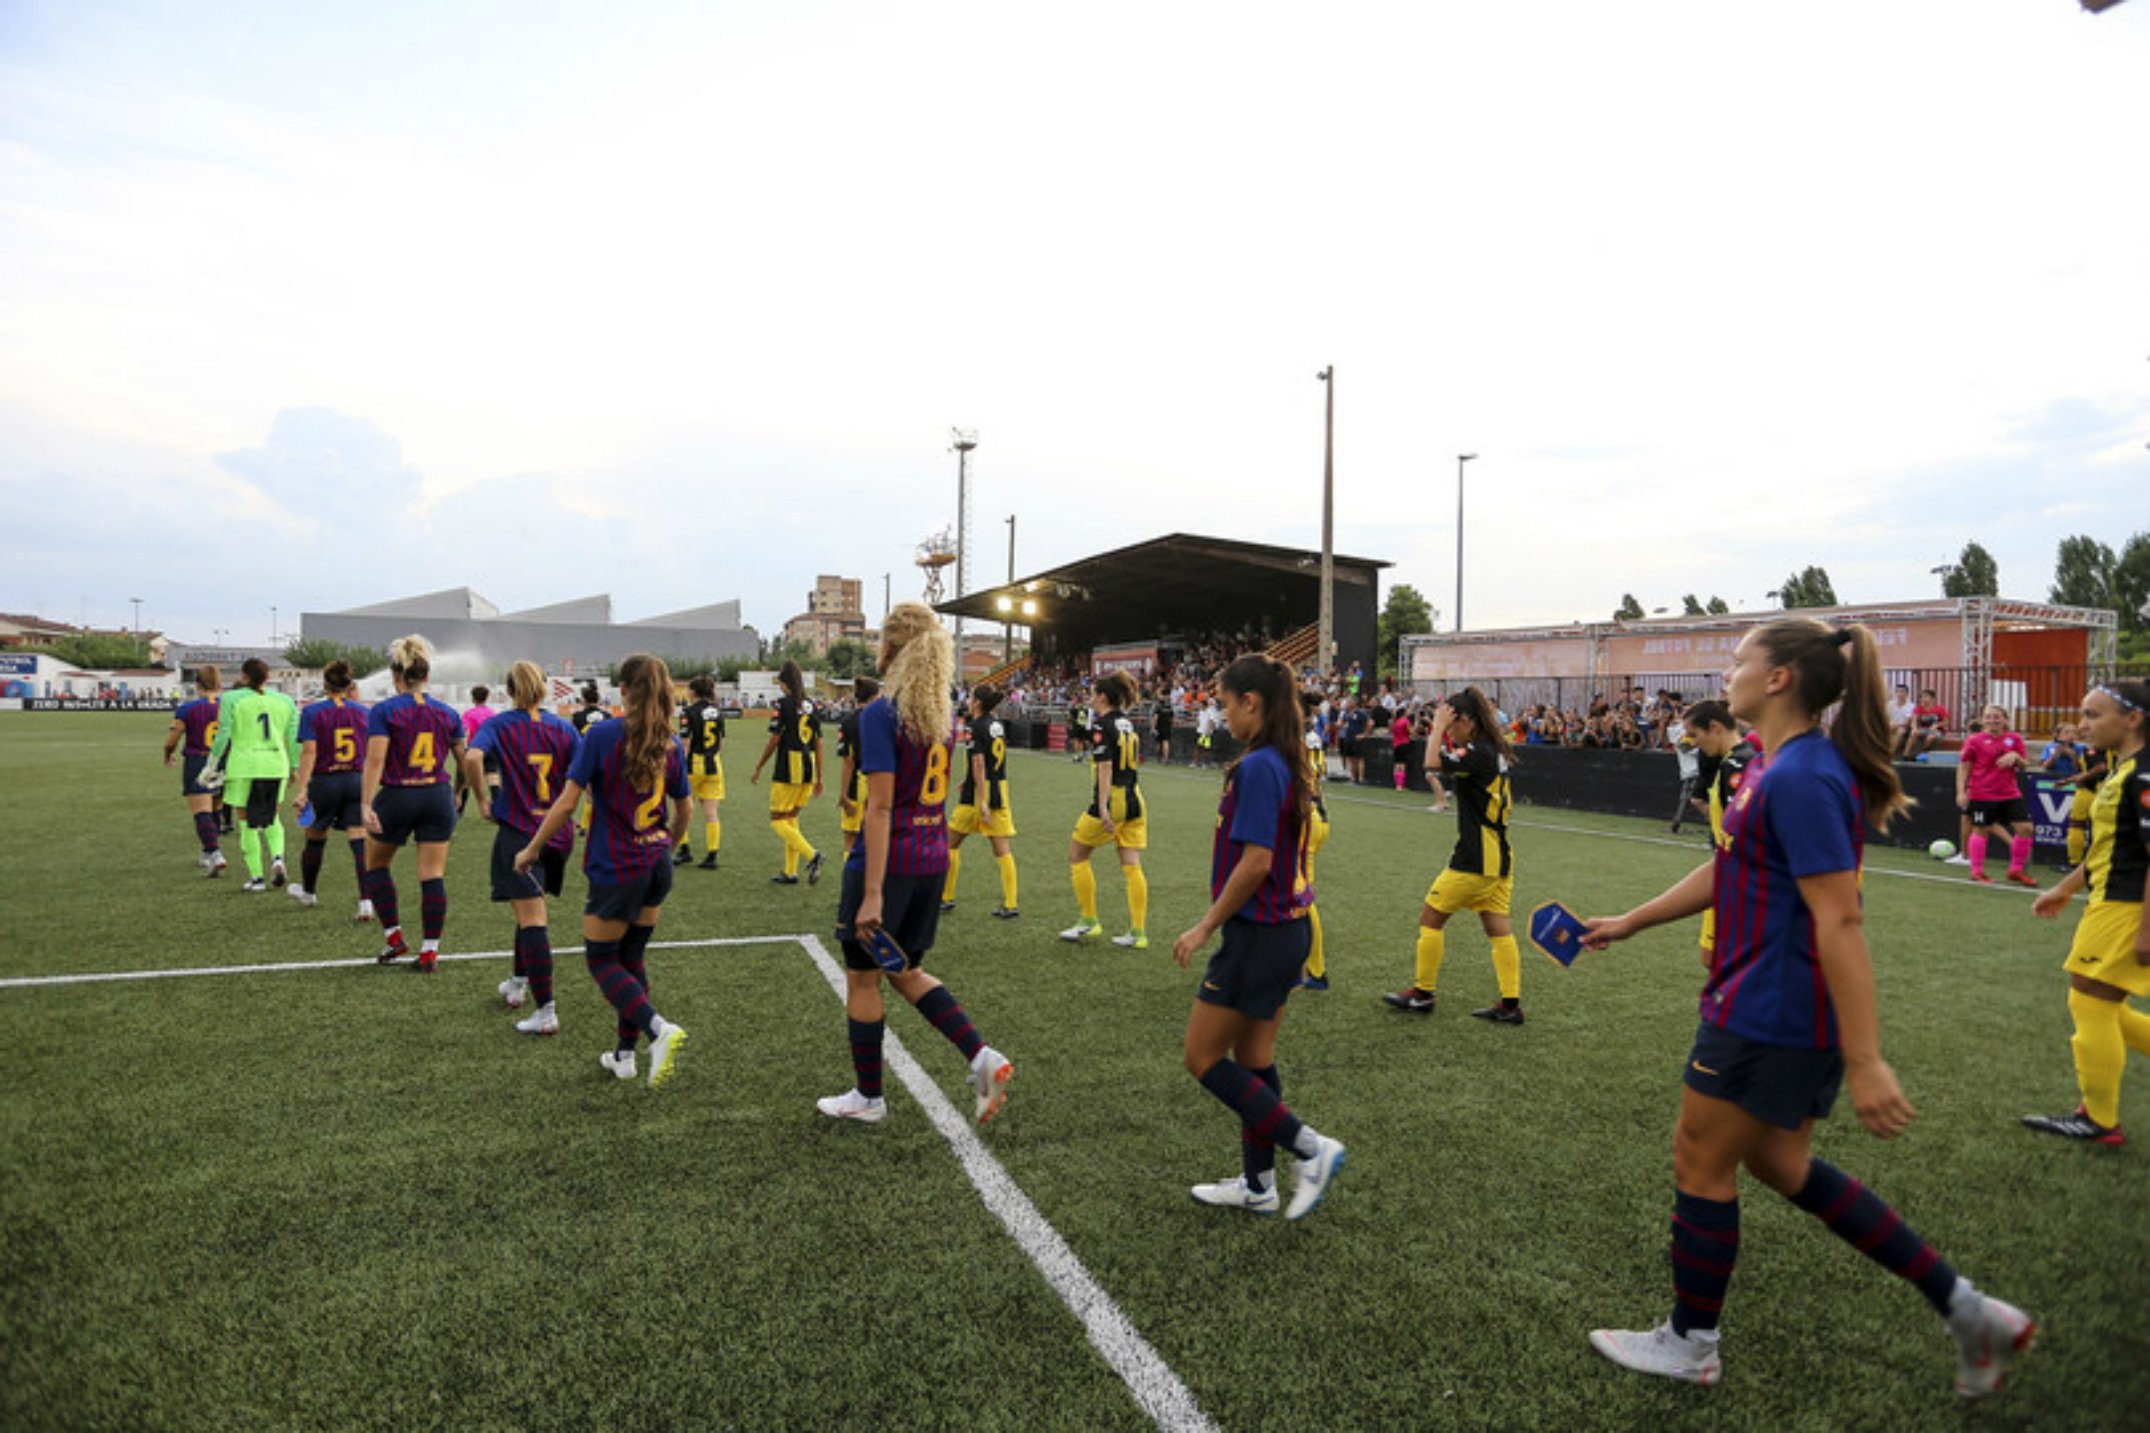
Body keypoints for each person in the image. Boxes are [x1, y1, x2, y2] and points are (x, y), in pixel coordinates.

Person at [1579, 618, 2033, 1398]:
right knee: (1780, 1162)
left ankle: (1691, 1342)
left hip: (1770, 1010)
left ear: (1780, 677)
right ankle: (1968, 1310)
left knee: (1701, 1158)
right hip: (1770, 1004)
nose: (1728, 674)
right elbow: (1730, 868)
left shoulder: (1802, 777)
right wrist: (1630, 919)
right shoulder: (1772, 765)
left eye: (1738, 660)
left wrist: (1866, 1058)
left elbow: (1842, 918)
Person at [815, 604, 1013, 1126]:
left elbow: (879, 808)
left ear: (891, 648)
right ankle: (981, 1057)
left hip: (890, 863)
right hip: (930, 858)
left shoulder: (883, 713)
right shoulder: (939, 716)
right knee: (905, 970)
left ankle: (868, 1096)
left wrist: (873, 891)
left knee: (863, 980)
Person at [1172, 655, 1346, 1220]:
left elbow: (1254, 864)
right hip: (1288, 932)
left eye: (1226, 704)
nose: (1222, 716)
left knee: (1201, 1056)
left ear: (1252, 702)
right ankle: (1259, 1185)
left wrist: (1203, 927)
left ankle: (1310, 1148)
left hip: (1259, 935)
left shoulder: (1260, 766)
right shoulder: (1286, 761)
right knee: (1254, 1058)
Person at [516, 653, 690, 1085]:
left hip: (617, 866)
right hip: (655, 863)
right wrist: (668, 842)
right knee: (632, 957)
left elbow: (567, 802)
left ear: (625, 691)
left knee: (601, 960)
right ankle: (624, 1056)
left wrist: (532, 849)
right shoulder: (672, 741)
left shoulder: (602, 735)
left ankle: (656, 1029)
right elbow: (683, 808)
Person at [2021, 678, 2150, 1144]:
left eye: (2093, 715)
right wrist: (2063, 888)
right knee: (2102, 1004)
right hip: (2110, 903)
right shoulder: (2121, 768)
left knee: (2090, 1000)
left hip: (2125, 908)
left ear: (2132, 719)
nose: (2082, 725)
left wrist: (2146, 930)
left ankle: (2099, 1120)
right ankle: (2098, 1113)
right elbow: (2107, 850)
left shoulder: (2143, 772)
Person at [1383, 687, 1524, 1023]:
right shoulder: (1493, 749)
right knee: (1498, 929)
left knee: (1431, 917)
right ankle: (1510, 1005)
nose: (1449, 730)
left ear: (1466, 721)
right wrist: (1444, 728)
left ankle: (1422, 994)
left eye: (1452, 722)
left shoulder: (1479, 751)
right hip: (1499, 857)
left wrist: (1436, 729)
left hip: (1476, 858)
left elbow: (1431, 764)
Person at [465, 661, 581, 1036]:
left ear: (510, 691)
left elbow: (471, 757)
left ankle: (546, 1011)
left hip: (520, 833)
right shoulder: (563, 728)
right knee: (529, 908)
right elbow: (585, 777)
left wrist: (482, 799)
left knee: (532, 918)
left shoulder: (499, 724)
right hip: (557, 834)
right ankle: (517, 982)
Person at [360, 635, 465, 971]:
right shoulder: (447, 712)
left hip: (398, 794)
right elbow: (465, 760)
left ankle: (394, 936)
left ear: (395, 676)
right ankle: (430, 950)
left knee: (375, 865)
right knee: (432, 874)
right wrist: (463, 791)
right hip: (437, 794)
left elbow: (375, 761)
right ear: (427, 675)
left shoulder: (385, 710)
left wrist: (365, 803)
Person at [1059, 670, 1151, 949]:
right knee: (1131, 863)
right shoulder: (1126, 723)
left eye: (1093, 693)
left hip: (1114, 799)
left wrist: (1103, 807)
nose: (1090, 698)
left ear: (1102, 696)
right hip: (1136, 797)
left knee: (1077, 854)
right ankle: (1138, 932)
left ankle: (1089, 920)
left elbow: (1106, 766)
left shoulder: (1102, 724)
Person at [205, 657, 300, 894]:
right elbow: (294, 737)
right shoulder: (286, 701)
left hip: (244, 765)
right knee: (272, 816)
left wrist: (212, 763)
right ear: (268, 678)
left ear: (244, 676)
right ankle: (277, 858)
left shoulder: (231, 698)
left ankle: (256, 878)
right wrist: (295, 766)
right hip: (275, 764)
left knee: (246, 821)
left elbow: (224, 733)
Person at [288, 661, 372, 918]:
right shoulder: (363, 711)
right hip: (356, 779)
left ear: (324, 684)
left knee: (315, 837)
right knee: (359, 839)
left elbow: (309, 751)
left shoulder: (313, 712)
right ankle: (366, 901)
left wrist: (302, 789)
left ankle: (309, 893)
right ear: (350, 685)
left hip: (325, 781)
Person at [1682, 700, 1755, 969]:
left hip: (1733, 878)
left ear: (1714, 728)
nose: (1693, 742)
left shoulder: (1737, 765)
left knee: (1716, 957)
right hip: (1726, 871)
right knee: (1713, 957)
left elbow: (1745, 832)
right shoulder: (1732, 761)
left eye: (1695, 734)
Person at [943, 682, 1019, 919]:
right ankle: (1011, 903)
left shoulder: (974, 726)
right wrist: (968, 780)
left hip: (980, 794)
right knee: (1001, 848)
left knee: (949, 843)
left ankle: (945, 897)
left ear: (977, 702)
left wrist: (981, 799)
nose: (967, 699)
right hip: (999, 788)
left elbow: (978, 763)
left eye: (971, 697)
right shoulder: (996, 724)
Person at [750, 660, 824, 886]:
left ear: (784, 683)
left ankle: (812, 855)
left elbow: (775, 738)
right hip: (808, 767)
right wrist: (820, 777)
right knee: (791, 818)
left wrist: (760, 765)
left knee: (777, 820)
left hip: (789, 767)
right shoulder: (812, 705)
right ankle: (790, 872)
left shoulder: (782, 704)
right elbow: (818, 743)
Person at [1957, 704, 2038, 888]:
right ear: (1983, 719)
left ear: (2005, 719)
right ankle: (1976, 872)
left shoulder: (2014, 739)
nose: (1992, 720)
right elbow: (1964, 766)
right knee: (1981, 830)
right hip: (1981, 793)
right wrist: (1961, 791)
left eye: (1997, 717)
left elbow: (2025, 765)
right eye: (1988, 716)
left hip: (2010, 793)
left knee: (2026, 828)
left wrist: (2016, 757)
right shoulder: (1974, 740)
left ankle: (2016, 870)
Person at [163, 665, 227, 877]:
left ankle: (214, 853)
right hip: (223, 761)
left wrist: (167, 754)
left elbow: (172, 739)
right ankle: (208, 852)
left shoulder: (188, 708)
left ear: (197, 684)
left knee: (201, 811)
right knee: (215, 808)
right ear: (219, 684)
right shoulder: (228, 707)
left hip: (198, 760)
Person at [1298, 688, 1332, 991]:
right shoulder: (1311, 732)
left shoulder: (1293, 735)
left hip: (1304, 817)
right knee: (1297, 890)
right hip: (1318, 812)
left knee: (1301, 894)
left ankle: (1316, 970)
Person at [674, 675, 726, 870]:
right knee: (711, 812)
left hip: (694, 764)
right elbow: (720, 743)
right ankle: (712, 855)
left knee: (682, 809)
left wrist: (679, 765)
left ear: (693, 692)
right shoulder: (717, 712)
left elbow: (685, 743)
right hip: (714, 763)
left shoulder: (688, 712)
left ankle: (684, 850)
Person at [834, 677, 879, 860]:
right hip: (879, 783)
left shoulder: (848, 722)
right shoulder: (881, 721)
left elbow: (848, 761)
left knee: (850, 838)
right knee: (877, 837)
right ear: (874, 697)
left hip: (857, 784)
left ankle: (851, 884)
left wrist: (843, 794)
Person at [457, 683, 498, 815]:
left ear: (473, 698)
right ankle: (497, 807)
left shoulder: (469, 714)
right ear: (487, 698)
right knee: (492, 776)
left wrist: (464, 748)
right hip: (490, 748)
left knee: (467, 779)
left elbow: (465, 731)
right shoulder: (492, 714)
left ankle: (459, 810)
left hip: (474, 748)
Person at [1897, 688, 1950, 759]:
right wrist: (1914, 728)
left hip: (1937, 731)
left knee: (1931, 737)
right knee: (1914, 733)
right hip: (1923, 730)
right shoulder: (1918, 708)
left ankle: (1922, 752)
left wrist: (1937, 725)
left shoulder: (1940, 709)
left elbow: (1946, 723)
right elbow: (1914, 720)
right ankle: (1905, 754)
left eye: (1925, 696)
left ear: (1932, 698)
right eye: (1921, 697)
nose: (1922, 699)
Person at [1153, 697, 1175, 765]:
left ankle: (1158, 758)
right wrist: (1171, 725)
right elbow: (1173, 718)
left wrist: (1153, 727)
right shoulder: (1170, 708)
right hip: (1167, 727)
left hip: (1159, 727)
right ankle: (1166, 759)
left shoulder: (1158, 708)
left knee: (1158, 743)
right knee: (1166, 742)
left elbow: (1155, 718)